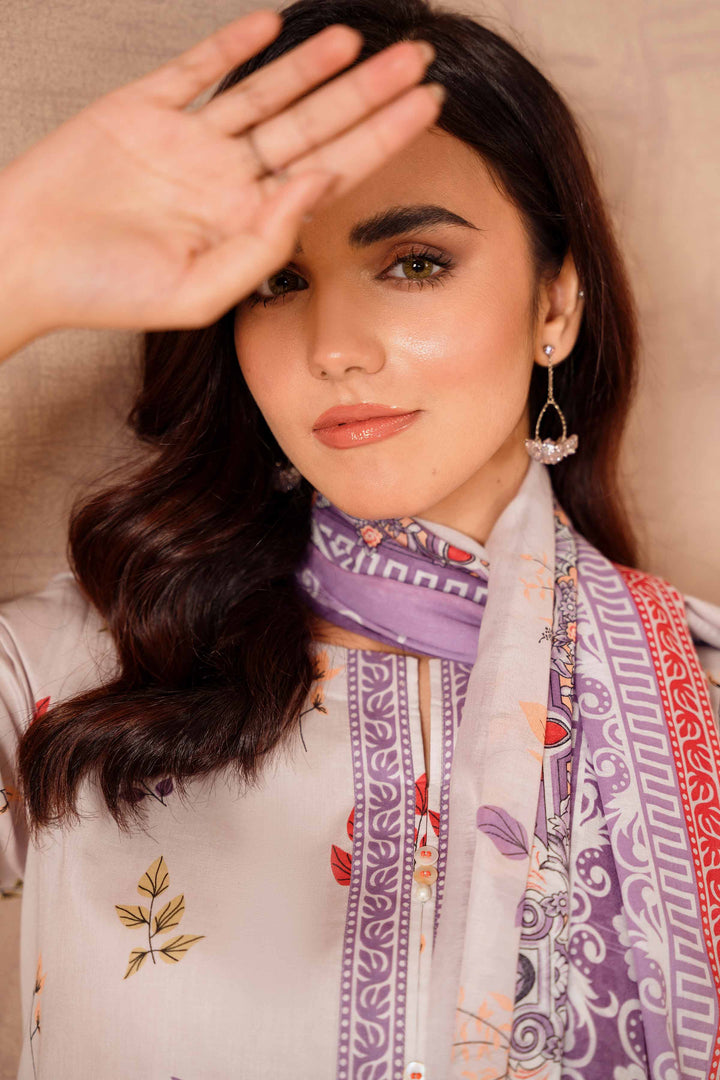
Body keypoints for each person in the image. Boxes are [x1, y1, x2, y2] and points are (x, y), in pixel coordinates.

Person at [0, 1, 718, 1077]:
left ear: (555, 306)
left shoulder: (702, 706)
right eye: (277, 280)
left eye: (414, 262)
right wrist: (13, 264)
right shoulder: (75, 671)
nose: (334, 347)